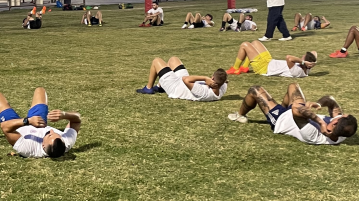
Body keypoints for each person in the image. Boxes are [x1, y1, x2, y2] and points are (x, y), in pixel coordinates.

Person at [227, 83, 357, 145]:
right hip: (296, 114)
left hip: (282, 120)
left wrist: (320, 122)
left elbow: (296, 109)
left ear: (334, 123)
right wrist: (319, 104)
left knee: (254, 90)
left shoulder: (313, 136)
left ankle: (240, 115)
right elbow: (331, 101)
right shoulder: (342, 131)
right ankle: (278, 107)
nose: (342, 114)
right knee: (293, 86)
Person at [0, 87, 80, 159]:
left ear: (43, 145)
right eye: (56, 134)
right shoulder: (66, 142)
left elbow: (5, 127)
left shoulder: (27, 148)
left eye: (49, 134)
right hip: (39, 121)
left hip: (16, 125)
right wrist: (64, 115)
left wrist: (27, 121)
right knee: (40, 90)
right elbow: (77, 120)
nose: (51, 130)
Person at [135, 57, 227, 101]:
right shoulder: (222, 87)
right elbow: (225, 81)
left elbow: (185, 79)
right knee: (173, 59)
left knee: (156, 61)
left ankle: (148, 88)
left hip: (176, 87)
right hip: (182, 84)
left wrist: (204, 78)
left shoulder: (204, 92)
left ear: (212, 78)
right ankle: (160, 87)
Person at [225, 40, 317, 77]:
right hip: (269, 61)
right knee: (255, 42)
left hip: (264, 68)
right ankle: (245, 67)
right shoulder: (306, 67)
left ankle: (235, 68)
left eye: (303, 58)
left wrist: (303, 61)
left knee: (244, 45)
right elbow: (314, 52)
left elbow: (288, 57)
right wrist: (312, 63)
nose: (301, 57)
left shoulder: (298, 71)